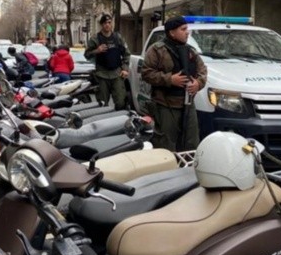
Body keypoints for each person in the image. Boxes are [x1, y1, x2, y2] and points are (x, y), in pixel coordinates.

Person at [140, 16, 207, 151]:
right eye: (183, 29)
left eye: (187, 29)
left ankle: (188, 170)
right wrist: (170, 79)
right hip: (166, 105)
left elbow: (202, 70)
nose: (187, 32)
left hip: (188, 104)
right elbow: (146, 73)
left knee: (192, 143)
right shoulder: (157, 50)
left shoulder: (191, 51)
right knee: (166, 145)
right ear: (171, 32)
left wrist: (198, 83)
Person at [84, 13, 130, 109]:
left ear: (111, 24)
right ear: (101, 24)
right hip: (102, 74)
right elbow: (87, 55)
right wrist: (97, 50)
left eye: (109, 22)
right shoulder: (95, 39)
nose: (107, 25)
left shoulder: (118, 38)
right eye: (105, 23)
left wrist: (125, 69)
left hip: (117, 73)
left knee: (121, 102)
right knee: (102, 104)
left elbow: (126, 54)